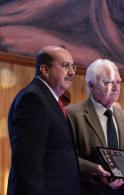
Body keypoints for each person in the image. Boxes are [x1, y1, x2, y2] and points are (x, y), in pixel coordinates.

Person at [66, 59, 124, 195]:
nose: (116, 88)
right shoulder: (73, 114)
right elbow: (67, 157)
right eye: (108, 82)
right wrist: (94, 169)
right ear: (91, 86)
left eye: (118, 82)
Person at [7, 46, 81, 195]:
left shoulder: (50, 99)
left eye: (73, 66)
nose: (72, 72)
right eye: (65, 66)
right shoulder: (33, 99)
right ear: (45, 70)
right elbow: (28, 162)